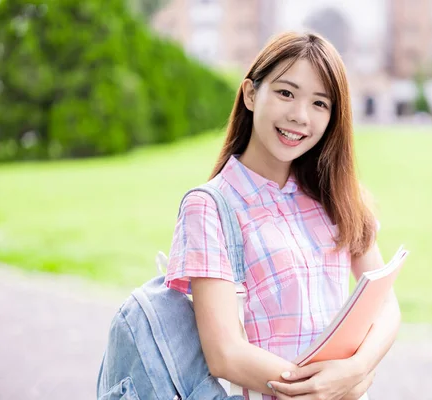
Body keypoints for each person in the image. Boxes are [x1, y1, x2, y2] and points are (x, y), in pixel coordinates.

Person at [165, 31, 401, 400]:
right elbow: (225, 354)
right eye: (286, 93)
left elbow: (386, 302)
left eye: (320, 103)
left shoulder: (337, 196)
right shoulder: (210, 206)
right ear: (250, 93)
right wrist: (322, 388)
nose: (299, 116)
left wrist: (355, 370)